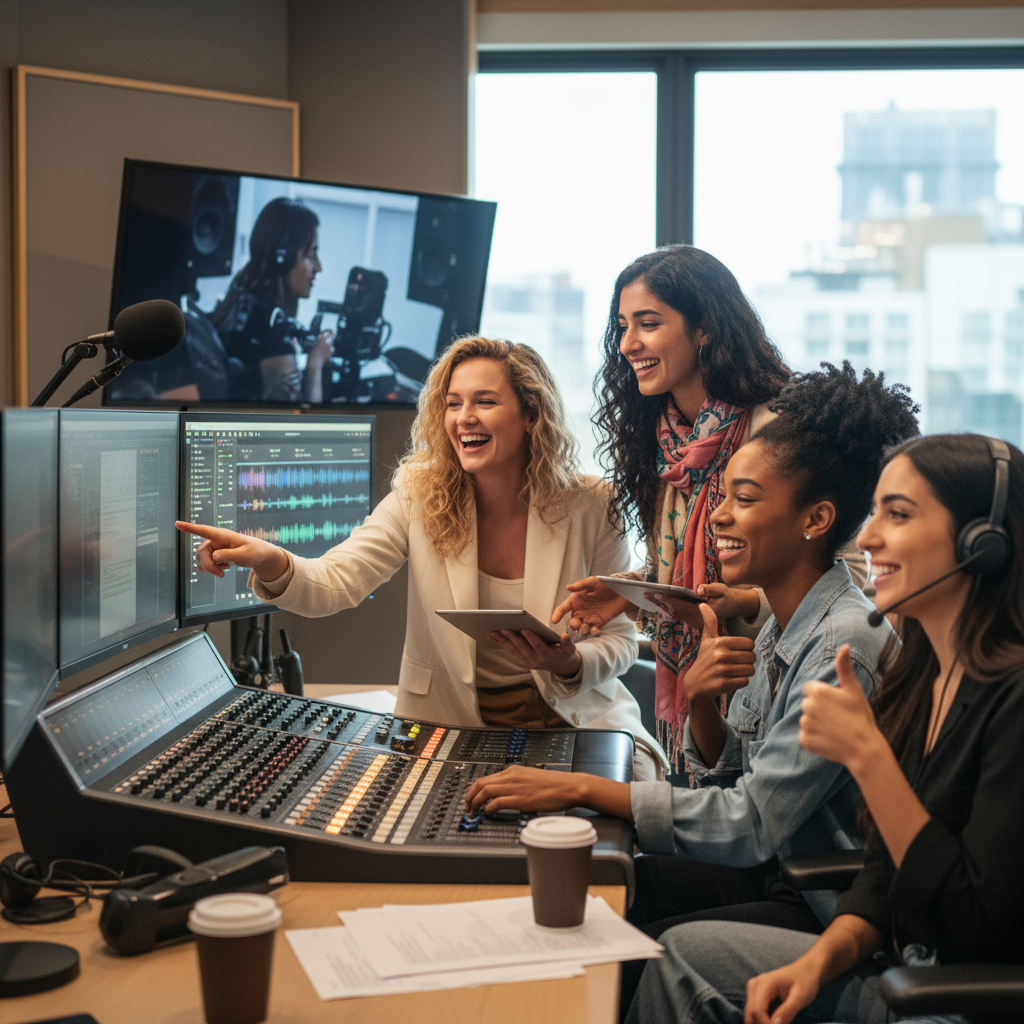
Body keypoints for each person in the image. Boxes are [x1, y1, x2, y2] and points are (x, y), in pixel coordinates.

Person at [464, 363, 918, 1013]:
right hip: (777, 867)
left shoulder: (841, 646)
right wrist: (703, 700)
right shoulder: (784, 619)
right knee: (616, 886)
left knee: (645, 946)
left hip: (826, 905)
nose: (719, 516)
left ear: (814, 519)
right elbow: (735, 774)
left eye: (745, 499)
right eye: (724, 495)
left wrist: (578, 786)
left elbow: (752, 820)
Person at [627, 432, 1024, 1024]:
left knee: (679, 957)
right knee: (643, 912)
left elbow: (978, 921)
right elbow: (884, 876)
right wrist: (815, 965)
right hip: (891, 950)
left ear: (982, 542)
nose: (867, 538)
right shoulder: (927, 669)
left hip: (944, 998)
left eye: (899, 514)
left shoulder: (1012, 702)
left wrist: (869, 758)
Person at [176, 336, 668, 779]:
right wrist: (269, 560)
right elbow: (336, 582)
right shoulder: (419, 494)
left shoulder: (592, 503)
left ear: (531, 415)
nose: (463, 418)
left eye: (485, 402)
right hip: (451, 730)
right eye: (453, 403)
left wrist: (569, 662)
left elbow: (621, 641)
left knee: (621, 822)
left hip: (579, 721)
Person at [549, 244, 795, 769]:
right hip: (702, 715)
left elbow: (848, 583)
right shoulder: (664, 441)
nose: (628, 344)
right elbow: (692, 566)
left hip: (776, 693)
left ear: (703, 328)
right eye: (622, 326)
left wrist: (742, 604)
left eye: (648, 323)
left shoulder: (778, 431)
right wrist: (631, 594)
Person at [209, 196, 335, 403]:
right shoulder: (269, 327)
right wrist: (316, 364)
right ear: (282, 257)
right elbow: (302, 427)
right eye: (311, 255)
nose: (318, 267)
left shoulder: (242, 295)